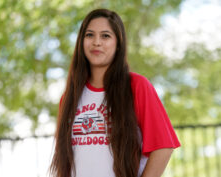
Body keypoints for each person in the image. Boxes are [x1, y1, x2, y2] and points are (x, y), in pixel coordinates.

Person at [49, 8, 180, 177]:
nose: (96, 42)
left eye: (105, 36)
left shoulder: (136, 86)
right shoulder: (69, 97)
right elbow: (65, 160)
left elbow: (163, 146)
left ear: (118, 44)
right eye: (89, 35)